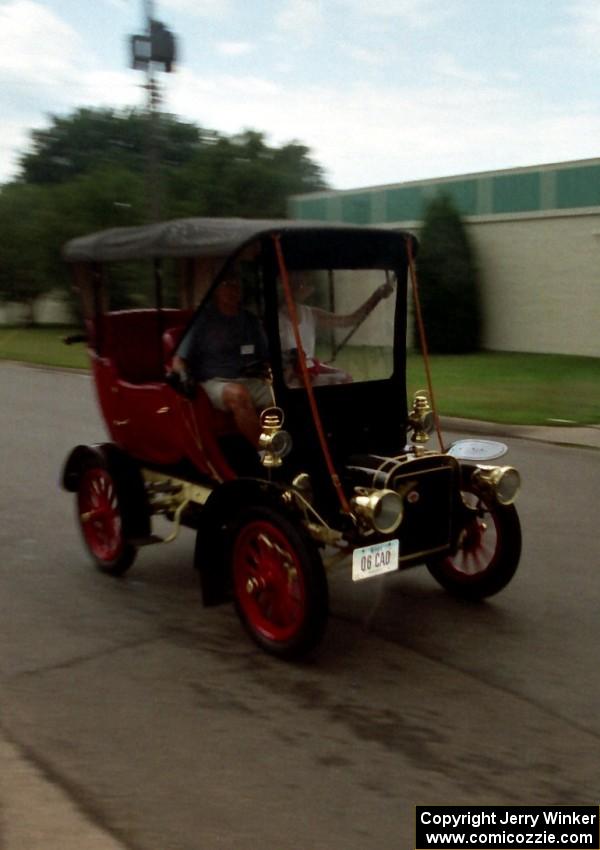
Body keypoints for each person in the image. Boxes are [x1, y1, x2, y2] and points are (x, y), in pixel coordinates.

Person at [173, 274, 272, 448]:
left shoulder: (250, 321)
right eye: (226, 285)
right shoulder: (202, 321)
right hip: (215, 381)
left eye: (236, 286)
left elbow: (267, 358)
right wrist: (183, 376)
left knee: (281, 396)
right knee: (239, 394)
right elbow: (178, 359)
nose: (232, 290)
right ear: (216, 291)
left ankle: (276, 444)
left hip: (251, 379)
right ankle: (268, 453)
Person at [279, 272, 394, 386]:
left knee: (345, 377)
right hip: (291, 379)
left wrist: (376, 296)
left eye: (306, 283)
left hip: (311, 370)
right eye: (298, 282)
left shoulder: (310, 313)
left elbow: (351, 320)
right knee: (340, 380)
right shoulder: (276, 317)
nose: (302, 286)